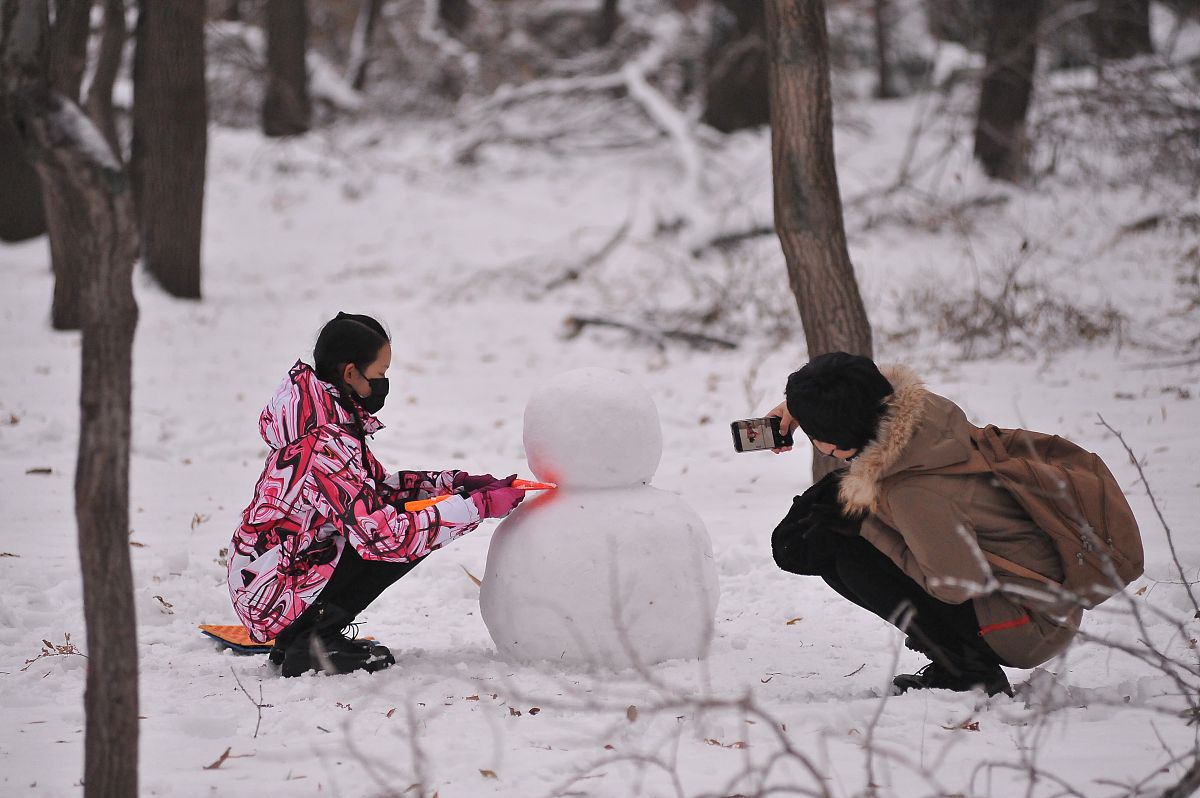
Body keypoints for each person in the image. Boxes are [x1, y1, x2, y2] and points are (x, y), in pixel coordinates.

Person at [766, 352, 1081, 697]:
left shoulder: (913, 491)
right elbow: (862, 385)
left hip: (1027, 626)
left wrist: (868, 530)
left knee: (844, 550)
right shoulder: (918, 415)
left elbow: (956, 585)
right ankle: (959, 654)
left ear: (833, 441)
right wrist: (801, 409)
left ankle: (966, 670)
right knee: (819, 524)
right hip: (1041, 594)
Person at [228, 312, 525, 677]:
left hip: (275, 579)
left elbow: (378, 487)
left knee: (404, 513)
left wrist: (456, 483)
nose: (385, 384)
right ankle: (309, 642)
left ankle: (302, 635)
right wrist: (474, 508)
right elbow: (385, 537)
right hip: (272, 593)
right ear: (351, 373)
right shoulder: (323, 443)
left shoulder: (329, 421)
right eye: (380, 374)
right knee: (399, 530)